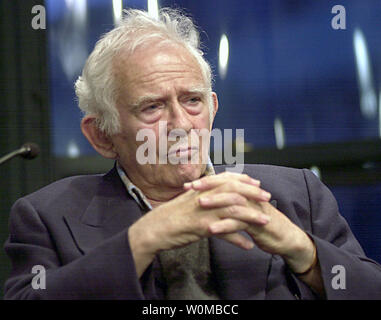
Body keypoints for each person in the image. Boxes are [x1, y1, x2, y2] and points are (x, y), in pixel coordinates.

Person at [3, 8, 381, 300]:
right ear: (102, 135)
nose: (181, 123)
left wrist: (305, 252)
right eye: (151, 107)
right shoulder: (47, 215)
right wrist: (143, 239)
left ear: (213, 109)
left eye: (192, 101)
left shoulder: (297, 194)